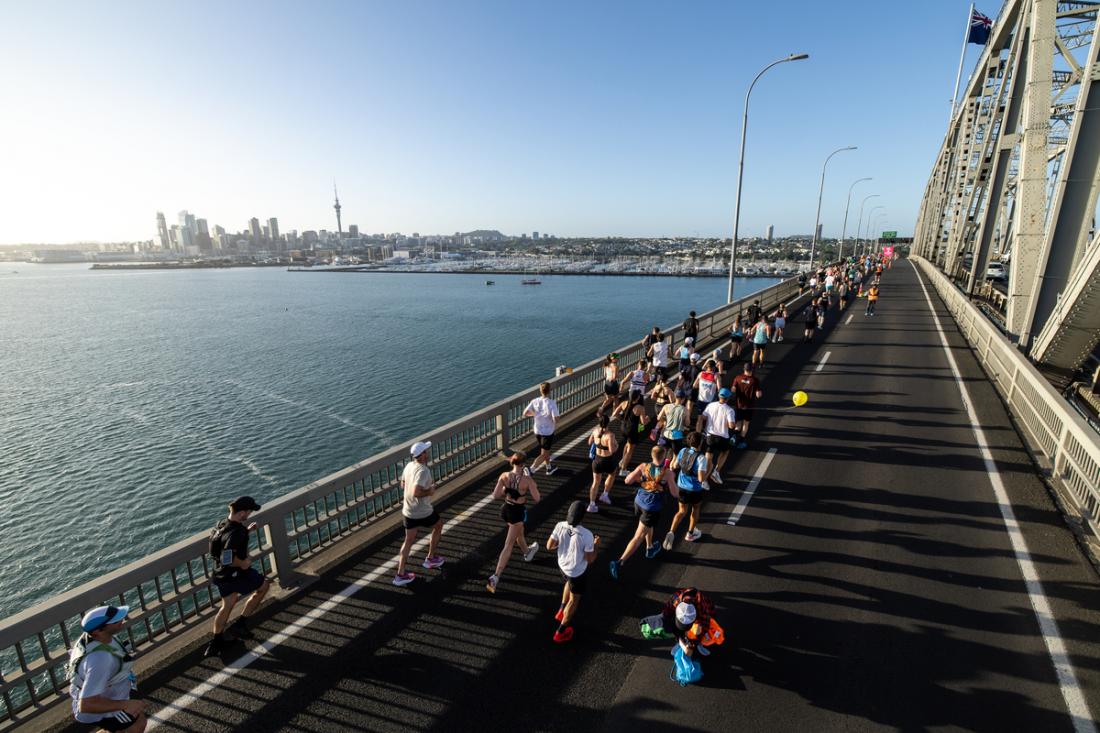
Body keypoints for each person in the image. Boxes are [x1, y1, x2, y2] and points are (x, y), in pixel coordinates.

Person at [204, 496, 272, 657]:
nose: (250, 514)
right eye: (249, 511)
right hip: (237, 574)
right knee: (263, 587)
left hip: (220, 575)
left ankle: (216, 642)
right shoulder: (238, 532)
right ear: (242, 513)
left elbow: (226, 542)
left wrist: (247, 531)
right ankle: (240, 625)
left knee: (227, 604)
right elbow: (227, 558)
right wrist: (243, 563)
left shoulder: (221, 524)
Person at [68, 605, 144, 732]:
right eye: (116, 621)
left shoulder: (97, 638)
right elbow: (87, 704)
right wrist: (126, 704)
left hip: (113, 693)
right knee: (137, 725)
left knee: (136, 721)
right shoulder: (100, 660)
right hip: (106, 708)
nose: (122, 619)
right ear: (98, 631)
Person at [610, 446, 679, 578]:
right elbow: (675, 494)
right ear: (664, 456)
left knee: (648, 526)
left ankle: (650, 547)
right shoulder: (668, 473)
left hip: (639, 502)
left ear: (652, 455)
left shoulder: (643, 466)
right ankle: (619, 562)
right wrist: (672, 481)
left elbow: (627, 480)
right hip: (651, 507)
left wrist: (642, 479)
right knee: (638, 537)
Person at [486, 452, 541, 593]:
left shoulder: (504, 475)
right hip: (517, 512)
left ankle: (527, 552)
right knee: (508, 544)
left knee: (519, 533)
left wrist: (506, 489)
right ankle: (496, 576)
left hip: (506, 509)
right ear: (523, 464)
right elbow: (537, 498)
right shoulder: (527, 480)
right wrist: (532, 484)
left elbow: (495, 495)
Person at [394, 441, 445, 586]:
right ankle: (430, 559)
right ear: (421, 455)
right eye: (425, 451)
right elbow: (416, 492)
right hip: (423, 511)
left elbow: (403, 484)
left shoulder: (409, 466)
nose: (427, 453)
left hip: (408, 511)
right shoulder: (423, 470)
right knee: (439, 525)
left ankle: (400, 574)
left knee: (408, 541)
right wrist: (430, 490)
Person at [547, 500, 599, 643]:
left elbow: (549, 546)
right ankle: (560, 632)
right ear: (583, 517)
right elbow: (590, 559)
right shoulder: (587, 535)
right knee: (574, 600)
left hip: (562, 566)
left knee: (568, 582)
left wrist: (563, 544)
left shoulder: (560, 526)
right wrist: (596, 546)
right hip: (577, 572)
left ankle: (561, 610)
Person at [664, 432, 709, 548]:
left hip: (682, 487)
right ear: (700, 443)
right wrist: (708, 472)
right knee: (696, 508)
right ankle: (690, 533)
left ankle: (671, 531)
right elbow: (701, 478)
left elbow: (675, 466)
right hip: (695, 490)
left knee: (681, 511)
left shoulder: (683, 451)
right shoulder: (701, 458)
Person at [701, 388, 737, 485]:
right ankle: (716, 471)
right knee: (725, 452)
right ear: (728, 398)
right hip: (722, 437)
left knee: (708, 458)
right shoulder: (729, 410)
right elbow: (731, 426)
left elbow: (703, 417)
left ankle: (703, 480)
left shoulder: (710, 405)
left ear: (719, 396)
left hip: (709, 436)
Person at [524, 382, 560, 475]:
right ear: (549, 391)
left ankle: (549, 468)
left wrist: (535, 414)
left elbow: (525, 413)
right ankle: (531, 469)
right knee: (544, 454)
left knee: (544, 450)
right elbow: (556, 419)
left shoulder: (534, 401)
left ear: (540, 391)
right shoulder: (552, 403)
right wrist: (553, 420)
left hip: (537, 431)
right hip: (547, 432)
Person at [612, 389, 648, 478]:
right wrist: (647, 419)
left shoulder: (624, 403)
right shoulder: (640, 408)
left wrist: (622, 419)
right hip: (632, 430)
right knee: (630, 450)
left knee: (627, 444)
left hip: (623, 428)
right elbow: (643, 423)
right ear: (638, 397)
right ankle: (623, 469)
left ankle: (622, 460)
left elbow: (614, 414)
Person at [587, 414, 618, 512]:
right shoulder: (610, 435)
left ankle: (591, 505)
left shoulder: (595, 431)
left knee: (595, 482)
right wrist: (616, 445)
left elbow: (589, 442)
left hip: (596, 460)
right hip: (607, 460)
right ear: (608, 422)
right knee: (612, 474)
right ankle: (604, 494)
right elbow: (612, 450)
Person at [731, 362, 763, 449]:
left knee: (738, 423)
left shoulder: (737, 378)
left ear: (744, 369)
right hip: (749, 406)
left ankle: (733, 438)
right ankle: (741, 442)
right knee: (746, 423)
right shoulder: (755, 380)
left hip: (739, 405)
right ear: (751, 370)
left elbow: (733, 390)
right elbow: (758, 395)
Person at [657, 391, 689, 455]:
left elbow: (659, 418)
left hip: (666, 434)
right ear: (683, 399)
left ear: (675, 397)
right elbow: (687, 423)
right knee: (675, 455)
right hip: (677, 436)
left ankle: (663, 462)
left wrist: (666, 420)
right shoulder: (685, 410)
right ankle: (669, 464)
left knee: (662, 452)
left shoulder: (666, 406)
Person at [692, 360, 720, 426]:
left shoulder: (701, 374)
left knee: (699, 418)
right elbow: (719, 389)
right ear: (713, 367)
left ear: (707, 366)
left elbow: (694, 385)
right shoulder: (716, 376)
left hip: (701, 399)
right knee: (710, 417)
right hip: (710, 401)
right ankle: (707, 433)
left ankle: (697, 433)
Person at [598, 353, 620, 417]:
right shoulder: (615, 366)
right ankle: (615, 413)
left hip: (607, 384)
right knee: (616, 398)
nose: (618, 359)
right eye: (617, 358)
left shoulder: (606, 365)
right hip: (613, 384)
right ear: (613, 359)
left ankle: (601, 409)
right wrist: (619, 375)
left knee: (608, 399)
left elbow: (605, 375)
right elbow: (614, 377)